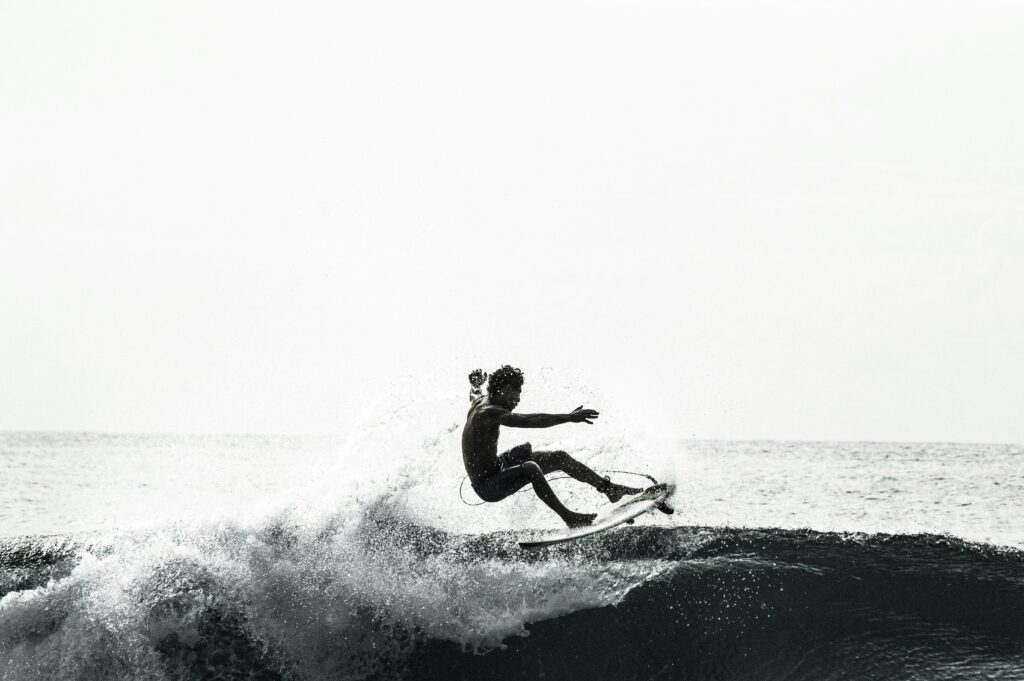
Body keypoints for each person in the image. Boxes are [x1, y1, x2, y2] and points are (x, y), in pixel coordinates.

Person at [462, 365, 641, 528]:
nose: (518, 399)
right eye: (518, 393)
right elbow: (529, 420)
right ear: (507, 389)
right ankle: (569, 518)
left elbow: (474, 394)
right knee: (531, 468)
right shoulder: (488, 413)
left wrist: (475, 385)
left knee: (558, 457)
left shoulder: (481, 402)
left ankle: (609, 489)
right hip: (488, 485)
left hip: (498, 466)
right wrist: (569, 417)